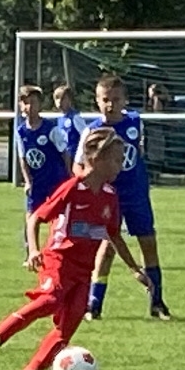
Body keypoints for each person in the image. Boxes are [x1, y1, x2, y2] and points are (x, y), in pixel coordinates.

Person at [0, 128, 150, 370]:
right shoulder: (72, 189)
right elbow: (36, 218)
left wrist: (135, 269)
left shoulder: (110, 196)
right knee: (50, 300)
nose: (120, 166)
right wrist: (34, 251)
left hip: (84, 271)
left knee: (69, 324)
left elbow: (113, 235)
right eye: (116, 159)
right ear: (96, 159)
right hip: (59, 260)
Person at [77, 74, 171, 321]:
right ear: (97, 101)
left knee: (148, 243)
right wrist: (90, 186)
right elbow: (79, 165)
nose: (110, 105)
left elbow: (137, 154)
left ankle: (157, 301)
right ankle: (94, 303)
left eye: (116, 99)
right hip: (109, 198)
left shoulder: (135, 122)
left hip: (136, 193)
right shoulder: (92, 131)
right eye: (105, 100)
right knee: (107, 247)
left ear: (124, 101)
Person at [15, 85, 70, 227]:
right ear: (20, 105)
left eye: (33, 102)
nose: (29, 107)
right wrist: (27, 181)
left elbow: (64, 153)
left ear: (40, 105)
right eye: (25, 103)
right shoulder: (20, 132)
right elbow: (23, 158)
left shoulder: (50, 128)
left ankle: (57, 239)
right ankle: (30, 241)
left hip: (55, 180)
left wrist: (69, 176)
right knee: (32, 215)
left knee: (59, 215)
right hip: (36, 182)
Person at [53, 84, 86, 159]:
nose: (59, 101)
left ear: (70, 100)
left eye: (63, 99)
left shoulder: (75, 117)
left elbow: (85, 135)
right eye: (57, 98)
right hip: (64, 157)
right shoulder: (59, 119)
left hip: (74, 157)